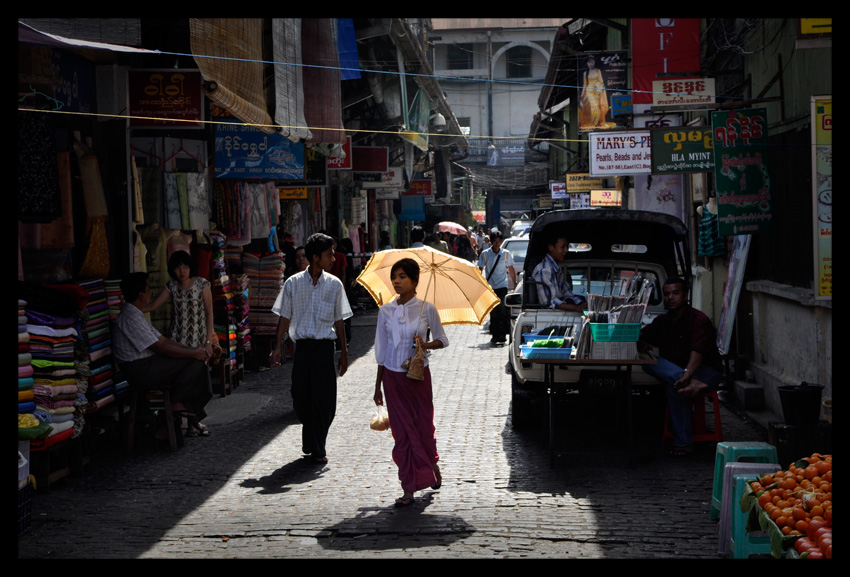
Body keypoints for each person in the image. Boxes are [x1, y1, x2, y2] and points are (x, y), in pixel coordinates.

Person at [270, 233, 353, 464]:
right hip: (303, 350)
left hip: (325, 348)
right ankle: (311, 433)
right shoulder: (293, 284)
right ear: (316, 258)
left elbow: (339, 321)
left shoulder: (335, 285)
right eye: (329, 255)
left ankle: (318, 447)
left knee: (324, 400)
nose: (334, 259)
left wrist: (344, 354)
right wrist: (277, 346)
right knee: (300, 396)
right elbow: (284, 317)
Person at [373, 258, 449, 507]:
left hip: (418, 378)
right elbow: (382, 351)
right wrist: (377, 387)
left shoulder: (427, 308)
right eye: (394, 276)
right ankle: (408, 488)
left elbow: (442, 339)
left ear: (415, 280)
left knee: (424, 429)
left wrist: (424, 344)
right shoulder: (385, 311)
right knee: (402, 435)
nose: (397, 280)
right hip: (393, 379)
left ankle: (432, 464)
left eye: (403, 276)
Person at [113, 272, 213, 442]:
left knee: (196, 362)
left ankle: (178, 409)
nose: (150, 292)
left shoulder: (135, 314)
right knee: (195, 364)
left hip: (148, 364)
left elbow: (163, 340)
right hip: (140, 370)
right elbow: (159, 347)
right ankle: (178, 405)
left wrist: (193, 349)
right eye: (148, 288)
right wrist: (192, 353)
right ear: (141, 294)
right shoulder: (130, 316)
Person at [637, 276, 724, 457]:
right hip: (680, 373)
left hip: (706, 371)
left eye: (675, 293)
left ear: (685, 295)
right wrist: (643, 342)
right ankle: (687, 383)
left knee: (674, 387)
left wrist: (687, 372)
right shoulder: (663, 321)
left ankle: (683, 443)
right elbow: (642, 335)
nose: (670, 297)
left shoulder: (699, 320)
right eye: (667, 294)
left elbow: (698, 351)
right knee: (648, 363)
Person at [142, 250, 216, 436]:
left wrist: (208, 341)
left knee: (196, 381)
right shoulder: (171, 287)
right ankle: (191, 423)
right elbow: (152, 306)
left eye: (185, 266)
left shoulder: (202, 284)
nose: (181, 271)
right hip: (178, 342)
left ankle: (193, 423)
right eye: (177, 267)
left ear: (190, 267)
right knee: (183, 381)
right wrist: (130, 306)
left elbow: (209, 314)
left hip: (198, 342)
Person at [530, 233, 586, 312]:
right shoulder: (545, 270)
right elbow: (548, 302)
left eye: (567, 247)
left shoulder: (556, 269)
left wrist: (582, 303)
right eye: (562, 247)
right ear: (551, 248)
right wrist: (576, 308)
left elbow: (566, 293)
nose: (566, 250)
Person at [477, 230, 516, 344]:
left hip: (502, 286)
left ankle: (502, 335)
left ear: (501, 242)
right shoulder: (485, 254)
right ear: (491, 242)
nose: (497, 244)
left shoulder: (506, 254)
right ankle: (495, 335)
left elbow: (511, 269)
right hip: (490, 287)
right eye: (494, 241)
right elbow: (480, 269)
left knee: (503, 311)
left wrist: (514, 283)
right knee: (493, 312)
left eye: (499, 241)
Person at [579, 55, 612, 129]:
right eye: (589, 62)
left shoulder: (598, 71)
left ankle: (597, 123)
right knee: (594, 107)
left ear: (594, 62)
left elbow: (600, 81)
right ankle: (593, 123)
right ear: (587, 63)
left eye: (592, 62)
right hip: (589, 91)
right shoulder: (585, 73)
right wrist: (582, 94)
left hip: (596, 91)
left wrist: (601, 94)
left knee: (599, 107)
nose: (590, 64)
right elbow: (585, 84)